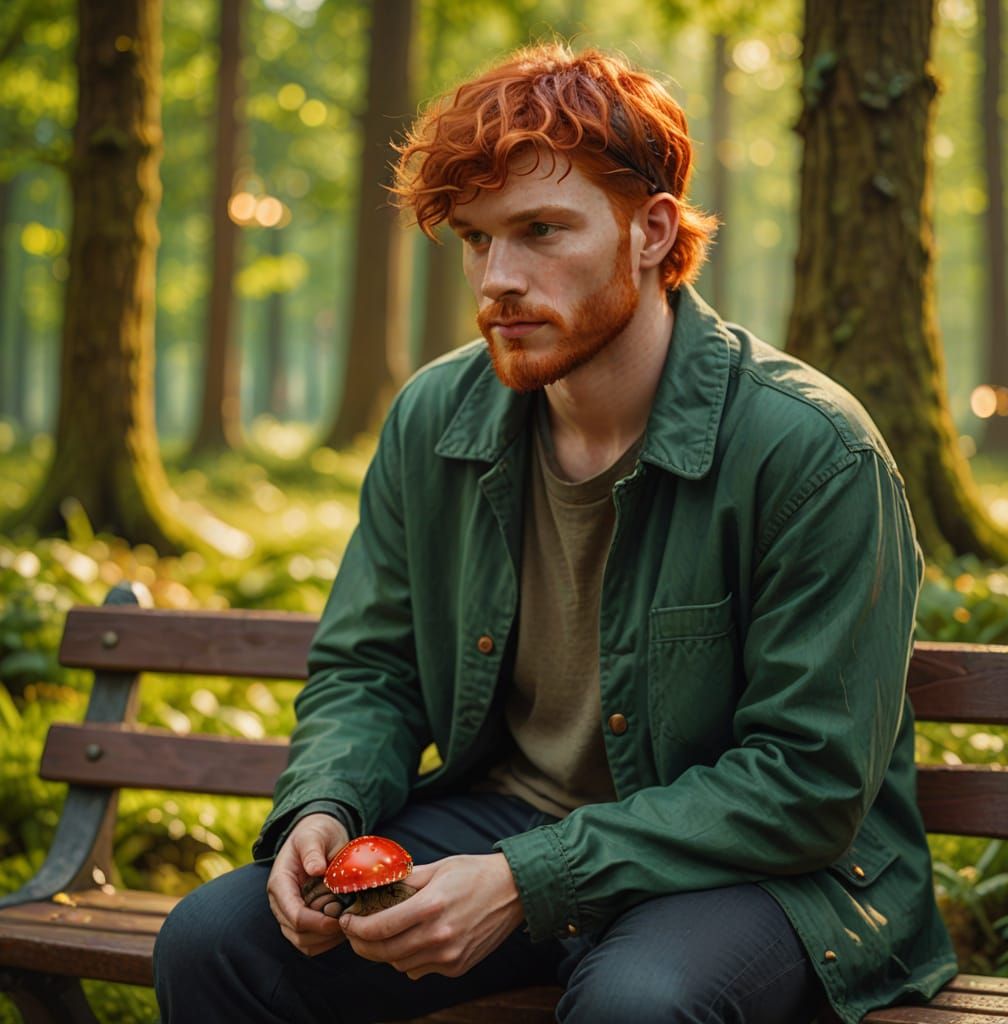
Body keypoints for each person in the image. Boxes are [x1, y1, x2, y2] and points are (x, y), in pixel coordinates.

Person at [154, 43, 957, 1023]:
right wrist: (325, 808)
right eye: (476, 238)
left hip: (767, 868)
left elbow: (807, 782)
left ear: (652, 231)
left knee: (636, 1004)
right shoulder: (432, 419)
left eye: (540, 230)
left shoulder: (809, 451)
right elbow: (371, 668)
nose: (498, 279)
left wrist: (527, 879)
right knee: (214, 943)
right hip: (509, 823)